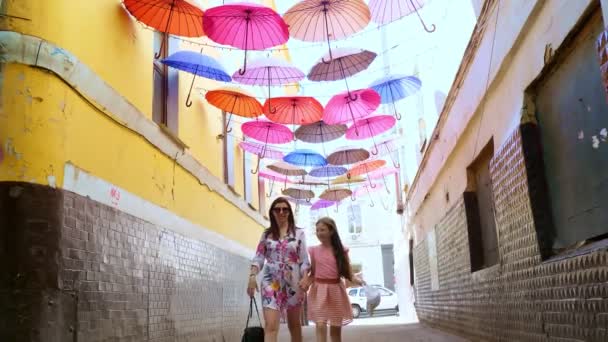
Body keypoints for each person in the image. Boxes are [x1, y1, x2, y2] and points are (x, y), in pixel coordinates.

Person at [247, 197, 310, 342]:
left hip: (294, 283)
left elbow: (304, 260)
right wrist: (252, 277)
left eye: (285, 209)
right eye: (277, 209)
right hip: (271, 282)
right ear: (272, 213)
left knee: (294, 326)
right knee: (270, 326)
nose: (281, 212)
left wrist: (306, 277)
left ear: (289, 212)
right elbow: (259, 257)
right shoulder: (267, 234)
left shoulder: (299, 233)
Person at [301, 217, 363, 342]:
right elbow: (313, 272)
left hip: (336, 292)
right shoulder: (313, 251)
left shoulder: (341, 251)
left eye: (322, 230)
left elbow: (348, 272)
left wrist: (358, 280)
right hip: (319, 292)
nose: (319, 233)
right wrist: (305, 281)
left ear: (331, 231)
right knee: (320, 324)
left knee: (335, 330)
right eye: (317, 230)